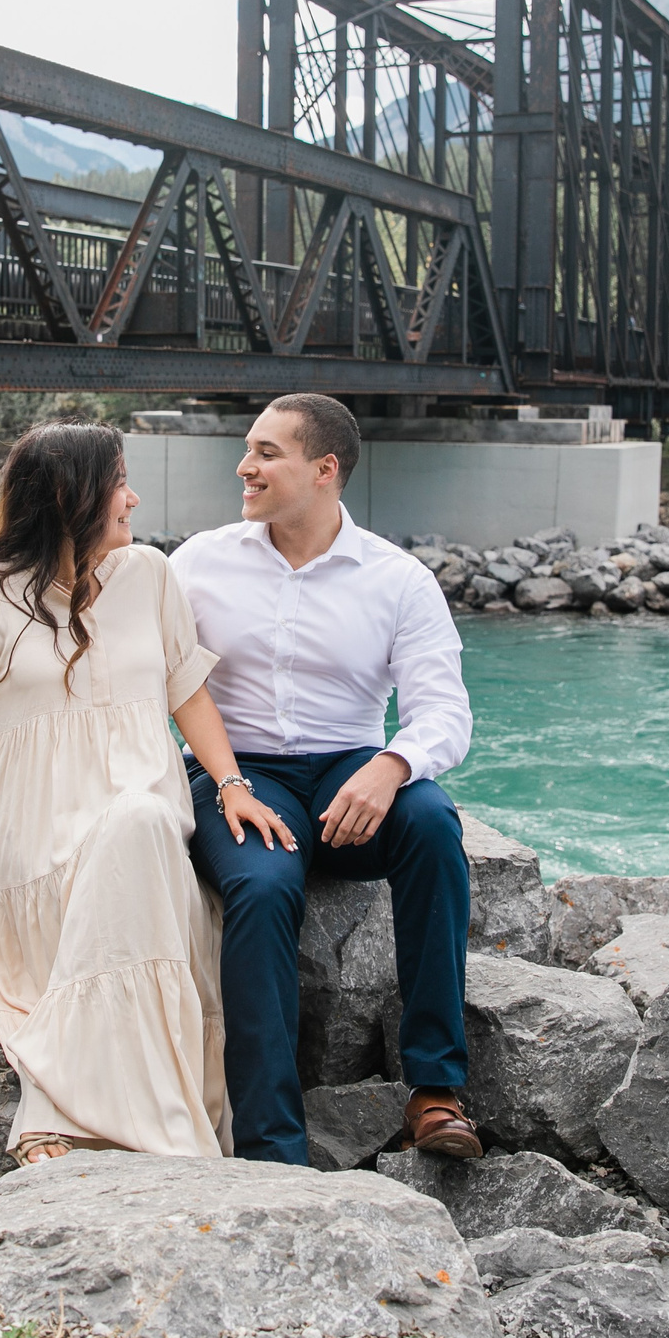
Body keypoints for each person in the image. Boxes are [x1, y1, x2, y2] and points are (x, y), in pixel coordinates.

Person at [0, 422, 292, 1165]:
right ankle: (99, 1116)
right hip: (32, 836)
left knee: (138, 822)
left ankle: (69, 1114)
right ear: (75, 500)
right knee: (133, 838)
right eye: (119, 485)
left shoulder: (151, 576)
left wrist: (231, 783)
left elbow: (188, 695)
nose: (134, 498)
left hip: (139, 813)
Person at [170, 392, 482, 1163]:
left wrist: (392, 763)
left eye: (267, 452)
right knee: (266, 885)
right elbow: (152, 675)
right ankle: (273, 1145)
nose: (245, 466)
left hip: (352, 769)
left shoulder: (398, 579)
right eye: (248, 449)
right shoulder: (197, 563)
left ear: (325, 469)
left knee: (435, 826)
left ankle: (435, 1090)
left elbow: (445, 712)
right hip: (238, 775)